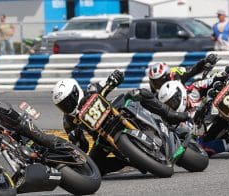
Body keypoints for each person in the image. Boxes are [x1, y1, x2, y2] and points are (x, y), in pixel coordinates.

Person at [52, 70, 192, 175]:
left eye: (68, 101)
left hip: (119, 111)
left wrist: (115, 77)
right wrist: (77, 141)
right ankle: (130, 160)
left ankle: (171, 115)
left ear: (76, 92)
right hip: (103, 138)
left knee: (140, 93)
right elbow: (82, 145)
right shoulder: (69, 121)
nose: (67, 106)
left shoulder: (92, 89)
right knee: (93, 166)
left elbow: (114, 80)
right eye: (63, 105)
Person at [148, 54, 219, 93]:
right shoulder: (154, 90)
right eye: (155, 82)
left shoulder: (176, 72)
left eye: (160, 81)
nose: (158, 84)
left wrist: (205, 61)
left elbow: (194, 70)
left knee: (199, 82)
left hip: (188, 101)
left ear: (168, 75)